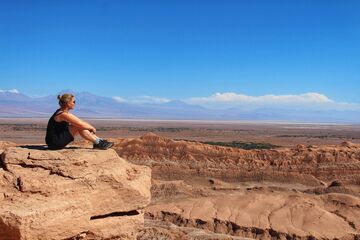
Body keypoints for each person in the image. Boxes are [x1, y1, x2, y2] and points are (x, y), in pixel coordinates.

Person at [45, 93, 114, 150]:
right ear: (67, 103)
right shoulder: (63, 114)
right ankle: (98, 143)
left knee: (81, 125)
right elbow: (79, 124)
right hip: (54, 143)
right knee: (78, 126)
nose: (75, 103)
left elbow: (80, 121)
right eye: (73, 101)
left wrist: (89, 127)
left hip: (55, 141)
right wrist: (92, 128)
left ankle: (99, 141)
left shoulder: (64, 112)